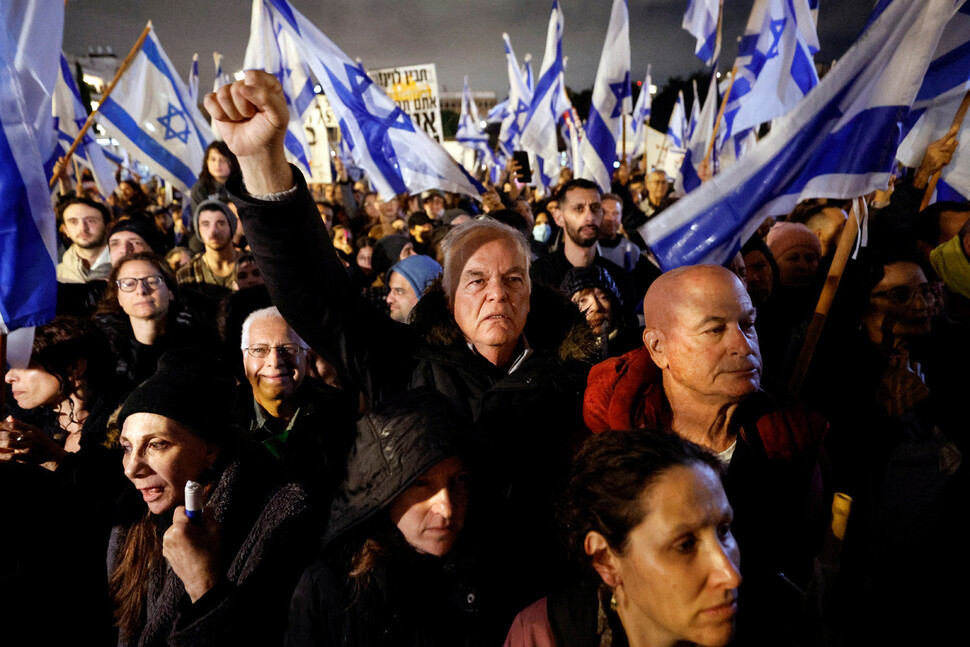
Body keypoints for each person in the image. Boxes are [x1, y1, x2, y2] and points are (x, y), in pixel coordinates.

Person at [207, 69, 597, 610]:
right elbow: (312, 292)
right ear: (447, 292)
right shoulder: (400, 360)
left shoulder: (576, 379)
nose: (497, 295)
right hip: (421, 607)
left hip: (534, 606)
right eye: (477, 280)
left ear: (533, 292)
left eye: (514, 279)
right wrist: (263, 162)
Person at [583, 265, 827, 645]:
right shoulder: (609, 449)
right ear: (657, 347)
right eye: (715, 330)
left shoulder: (791, 436)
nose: (744, 345)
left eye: (748, 324)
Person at [108, 349, 317, 646]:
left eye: (157, 445)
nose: (132, 468)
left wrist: (203, 584)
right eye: (127, 447)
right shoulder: (129, 521)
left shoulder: (283, 516)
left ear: (210, 450)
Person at [285, 389, 506, 647]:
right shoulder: (331, 588)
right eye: (421, 484)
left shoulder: (498, 569)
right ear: (383, 491)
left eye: (460, 479)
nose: (446, 508)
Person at [504, 429, 740, 647]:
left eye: (724, 530)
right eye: (685, 545)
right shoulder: (541, 635)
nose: (731, 576)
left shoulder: (770, 622)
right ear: (605, 558)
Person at [2, 316, 125, 534]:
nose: (9, 377)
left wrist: (55, 458)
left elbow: (112, 505)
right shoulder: (25, 421)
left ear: (74, 368)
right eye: (11, 366)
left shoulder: (128, 425)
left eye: (24, 364)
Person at [232, 306, 356, 501]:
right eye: (259, 350)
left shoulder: (340, 413)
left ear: (306, 358)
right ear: (244, 358)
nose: (275, 361)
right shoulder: (222, 416)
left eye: (288, 349)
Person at [95, 251, 216, 394]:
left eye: (152, 281)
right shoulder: (103, 354)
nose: (141, 290)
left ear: (170, 291)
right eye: (128, 284)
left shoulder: (202, 344)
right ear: (118, 298)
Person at [177, 199, 240, 304]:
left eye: (220, 223)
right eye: (206, 224)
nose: (213, 231)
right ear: (199, 230)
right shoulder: (187, 274)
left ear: (231, 226)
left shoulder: (253, 265)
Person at [57, 197, 112, 284]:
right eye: (73, 222)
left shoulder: (131, 267)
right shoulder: (58, 277)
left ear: (108, 227)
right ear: (66, 230)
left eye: (91, 221)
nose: (82, 228)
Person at [385, 254, 443, 324]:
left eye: (399, 291)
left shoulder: (445, 333)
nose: (388, 299)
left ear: (425, 293)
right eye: (390, 289)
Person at [190, 141, 240, 212]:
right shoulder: (199, 189)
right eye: (213, 159)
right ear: (206, 162)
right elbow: (197, 218)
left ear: (232, 162)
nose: (217, 165)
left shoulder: (243, 185)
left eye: (223, 160)